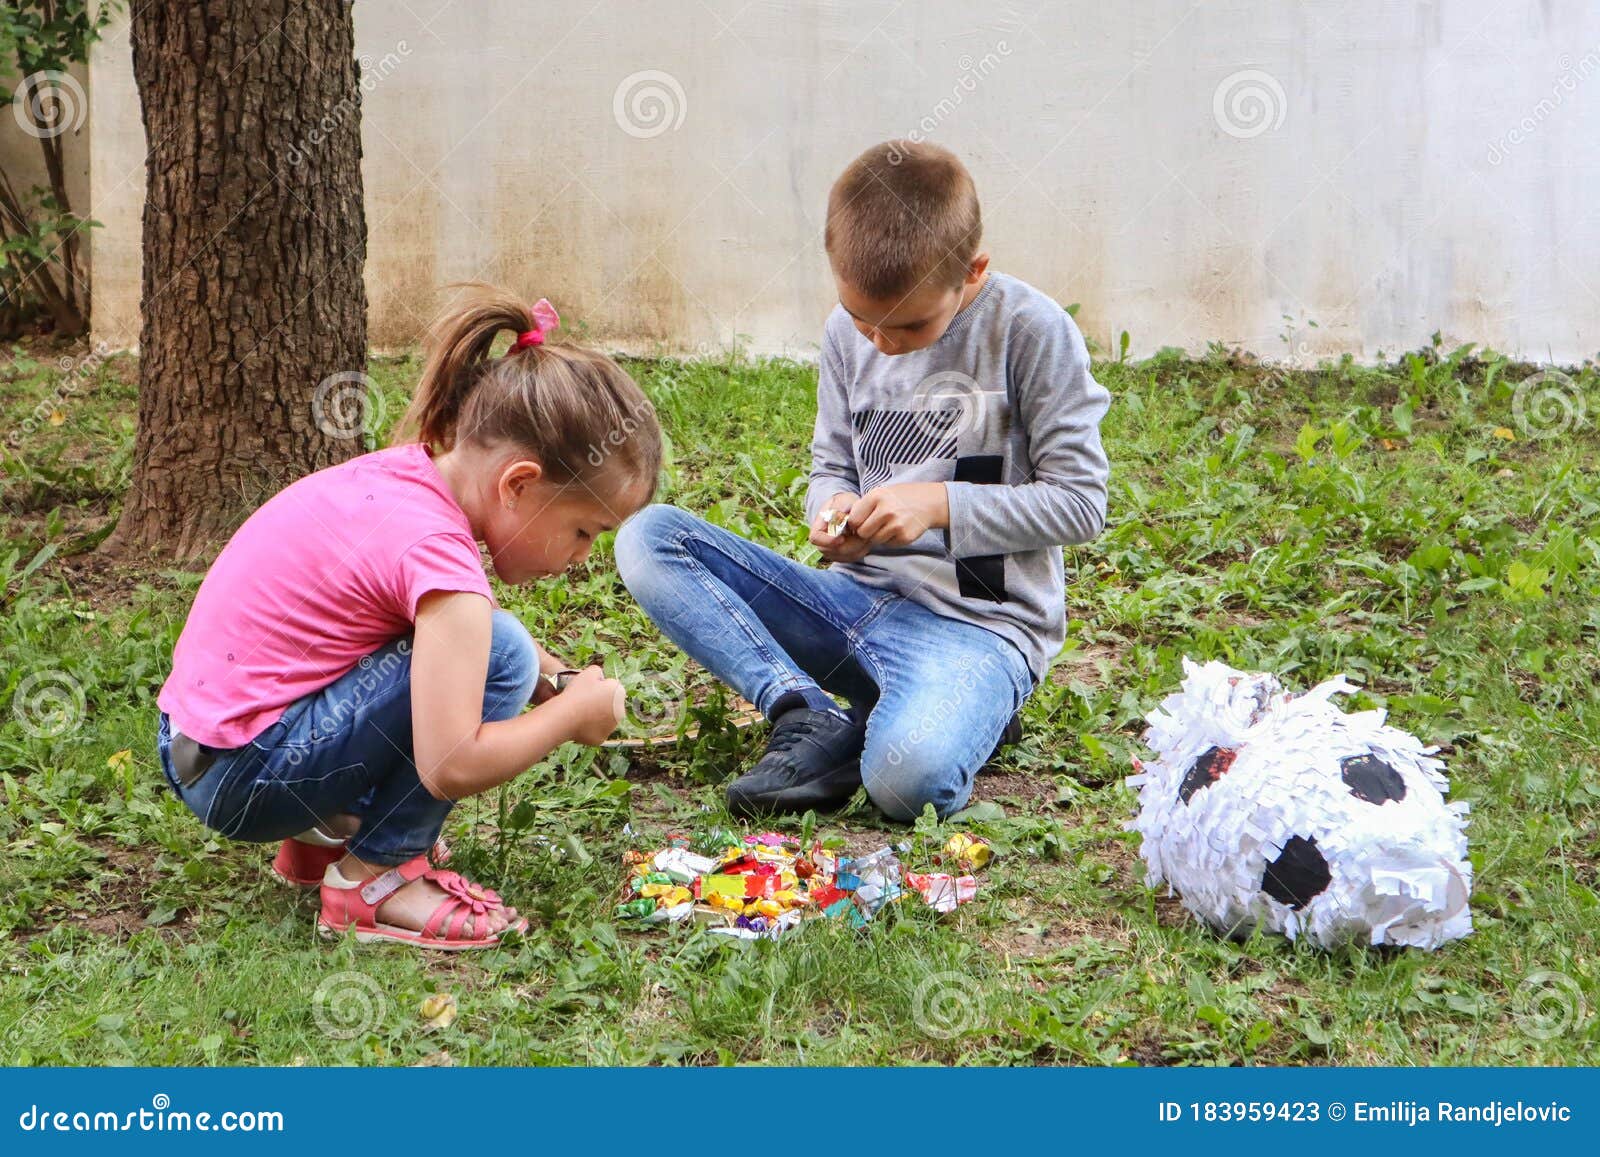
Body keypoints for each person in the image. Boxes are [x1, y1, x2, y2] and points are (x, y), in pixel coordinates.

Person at [616, 140, 1110, 821]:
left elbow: (1081, 503)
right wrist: (833, 508)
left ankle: (962, 714)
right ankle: (807, 712)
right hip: (850, 604)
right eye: (860, 319)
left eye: (908, 324)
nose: (878, 342)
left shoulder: (1030, 333)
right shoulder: (846, 335)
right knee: (650, 538)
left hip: (977, 627)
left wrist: (938, 505)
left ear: (973, 271)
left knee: (906, 783)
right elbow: (832, 465)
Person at [156, 286, 660, 949]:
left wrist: (558, 676)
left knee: (495, 645)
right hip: (246, 776)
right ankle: (378, 876)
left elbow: (433, 628)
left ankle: (321, 835)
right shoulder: (443, 562)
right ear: (518, 484)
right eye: (583, 531)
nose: (581, 557)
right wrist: (569, 716)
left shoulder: (408, 481)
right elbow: (452, 763)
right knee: (499, 654)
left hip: (203, 749)